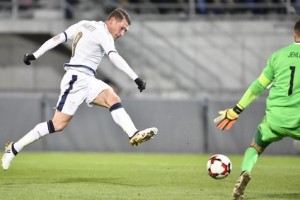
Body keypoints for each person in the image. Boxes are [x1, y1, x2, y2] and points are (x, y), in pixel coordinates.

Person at [1, 8, 158, 171]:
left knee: (113, 98)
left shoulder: (84, 24)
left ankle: (133, 134)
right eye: (122, 27)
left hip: (88, 79)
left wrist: (35, 54)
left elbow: (58, 39)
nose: (122, 33)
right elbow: (114, 57)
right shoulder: (103, 33)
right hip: (76, 78)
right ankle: (13, 148)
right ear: (112, 21)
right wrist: (136, 78)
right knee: (58, 124)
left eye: (125, 30)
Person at [214, 17, 300, 200]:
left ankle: (245, 172)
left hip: (275, 119)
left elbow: (257, 87)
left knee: (255, 146)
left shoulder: (278, 56)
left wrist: (235, 111)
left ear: (294, 33)